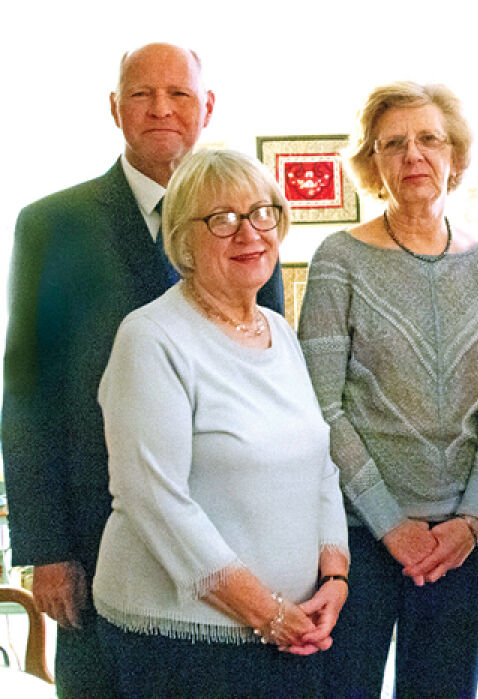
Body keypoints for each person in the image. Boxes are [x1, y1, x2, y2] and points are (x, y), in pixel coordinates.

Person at [1, 42, 283, 696]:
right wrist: (46, 548)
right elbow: (27, 394)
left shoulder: (248, 220)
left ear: (206, 108)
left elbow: (267, 378)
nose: (160, 109)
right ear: (114, 108)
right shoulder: (52, 224)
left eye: (179, 94)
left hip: (227, 543)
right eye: (141, 94)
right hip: (96, 542)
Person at [91, 148, 348, 695]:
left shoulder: (279, 331)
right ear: (184, 239)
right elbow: (153, 500)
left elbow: (320, 465)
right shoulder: (152, 338)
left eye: (262, 213)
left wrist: (334, 577)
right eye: (222, 219)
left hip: (293, 628)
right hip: (183, 645)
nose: (249, 233)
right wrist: (266, 612)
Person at [298, 80, 478, 698]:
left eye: (429, 139)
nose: (413, 155)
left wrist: (471, 518)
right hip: (362, 535)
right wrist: (392, 525)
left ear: (454, 155)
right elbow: (321, 407)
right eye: (394, 144)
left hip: (462, 540)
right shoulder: (339, 257)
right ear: (374, 163)